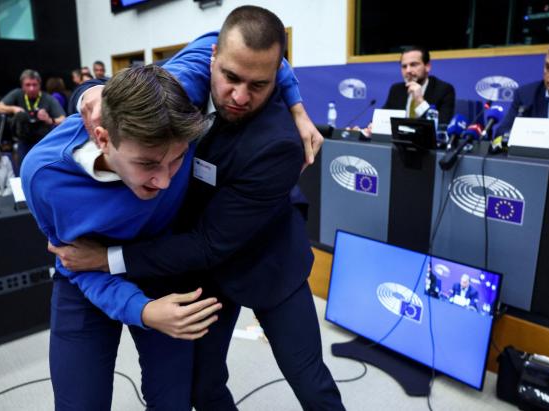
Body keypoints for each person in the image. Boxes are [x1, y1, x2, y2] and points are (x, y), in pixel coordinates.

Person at [51, 6, 344, 410]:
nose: (240, 96)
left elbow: (211, 242)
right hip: (198, 271)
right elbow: (115, 97)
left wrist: (106, 258)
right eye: (230, 78)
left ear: (277, 77)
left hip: (265, 262)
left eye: (258, 85)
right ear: (213, 61)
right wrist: (88, 93)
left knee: (310, 382)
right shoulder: (185, 82)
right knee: (201, 387)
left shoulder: (278, 144)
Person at [21, 65, 223, 411]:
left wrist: (295, 105)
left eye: (176, 160)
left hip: (161, 266)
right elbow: (75, 261)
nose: (164, 182)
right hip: (87, 277)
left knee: (173, 399)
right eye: (146, 164)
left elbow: (233, 41)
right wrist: (140, 310)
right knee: (79, 402)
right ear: (102, 138)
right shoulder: (44, 177)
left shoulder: (175, 91)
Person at [0, 69, 66, 167]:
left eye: (34, 85)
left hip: (43, 142)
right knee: (23, 169)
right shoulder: (17, 94)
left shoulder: (47, 98)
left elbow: (63, 119)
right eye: (28, 85)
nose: (31, 88)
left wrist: (49, 119)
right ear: (22, 86)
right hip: (23, 141)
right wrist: (13, 108)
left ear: (40, 85)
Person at [383, 45, 456, 125]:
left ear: (427, 66)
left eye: (413, 64)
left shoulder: (443, 90)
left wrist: (420, 100)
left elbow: (441, 126)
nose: (408, 70)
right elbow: (383, 117)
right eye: (404, 66)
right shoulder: (396, 90)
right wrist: (371, 127)